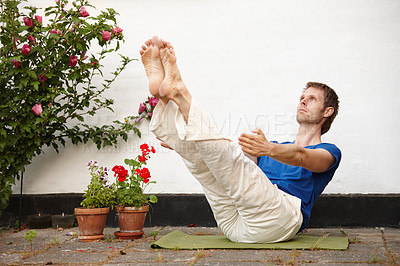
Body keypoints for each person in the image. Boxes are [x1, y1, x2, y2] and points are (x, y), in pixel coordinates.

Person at [140, 36, 341, 243]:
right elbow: (228, 157)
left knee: (226, 156)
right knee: (209, 164)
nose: (303, 101)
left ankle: (179, 92)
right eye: (302, 98)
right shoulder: (269, 148)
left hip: (279, 220)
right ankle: (165, 97)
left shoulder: (329, 151)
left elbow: (301, 156)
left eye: (312, 99)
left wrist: (268, 149)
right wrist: (191, 146)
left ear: (327, 111)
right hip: (234, 225)